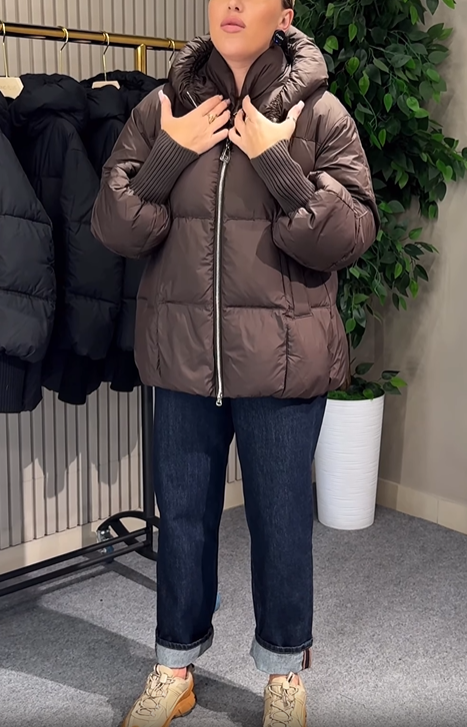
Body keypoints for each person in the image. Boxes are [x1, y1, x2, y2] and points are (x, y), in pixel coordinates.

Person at [92, 0, 378, 724]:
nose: (232, 5)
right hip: (183, 356)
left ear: (283, 13)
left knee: (280, 522)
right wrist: (170, 152)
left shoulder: (321, 116)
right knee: (183, 519)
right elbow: (113, 227)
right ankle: (174, 664)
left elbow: (348, 237)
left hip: (282, 360)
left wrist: (275, 160)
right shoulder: (162, 108)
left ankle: (284, 671)